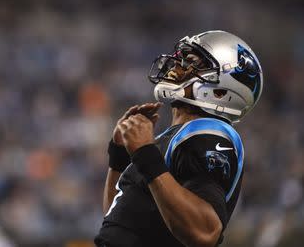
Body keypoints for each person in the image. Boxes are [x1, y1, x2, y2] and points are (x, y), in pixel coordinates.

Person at [94, 30, 263, 247]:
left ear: (221, 89)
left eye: (189, 61)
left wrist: (145, 153)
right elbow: (117, 218)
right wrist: (119, 156)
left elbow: (205, 232)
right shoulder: (171, 138)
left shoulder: (208, 134)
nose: (175, 66)